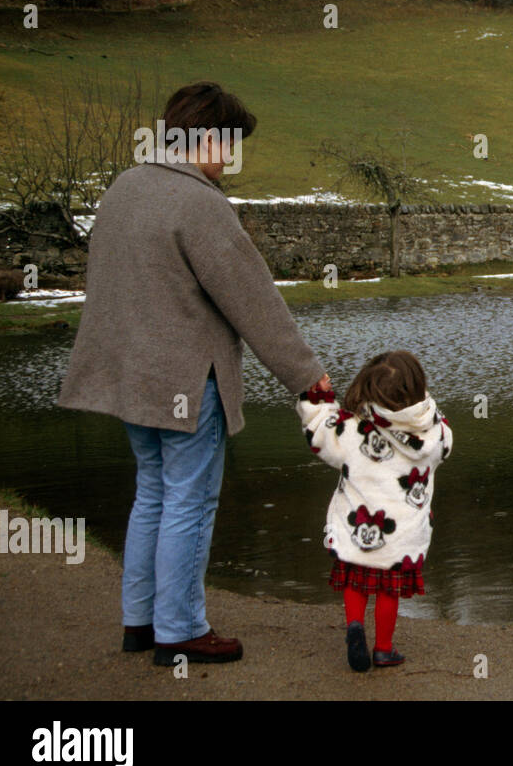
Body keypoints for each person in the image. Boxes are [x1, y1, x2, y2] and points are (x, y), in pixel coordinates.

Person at [56, 82, 332, 666]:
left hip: (133, 381)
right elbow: (254, 302)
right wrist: (306, 377)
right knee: (189, 502)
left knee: (153, 494)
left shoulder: (124, 188)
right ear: (209, 138)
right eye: (232, 145)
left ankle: (142, 622)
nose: (234, 160)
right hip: (186, 382)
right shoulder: (200, 205)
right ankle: (180, 630)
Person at [297, 350, 452, 672]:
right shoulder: (432, 434)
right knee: (387, 591)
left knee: (355, 579)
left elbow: (319, 431)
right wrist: (425, 409)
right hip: (402, 537)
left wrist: (319, 396)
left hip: (357, 531)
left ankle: (355, 627)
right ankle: (383, 649)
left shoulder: (353, 430)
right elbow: (446, 444)